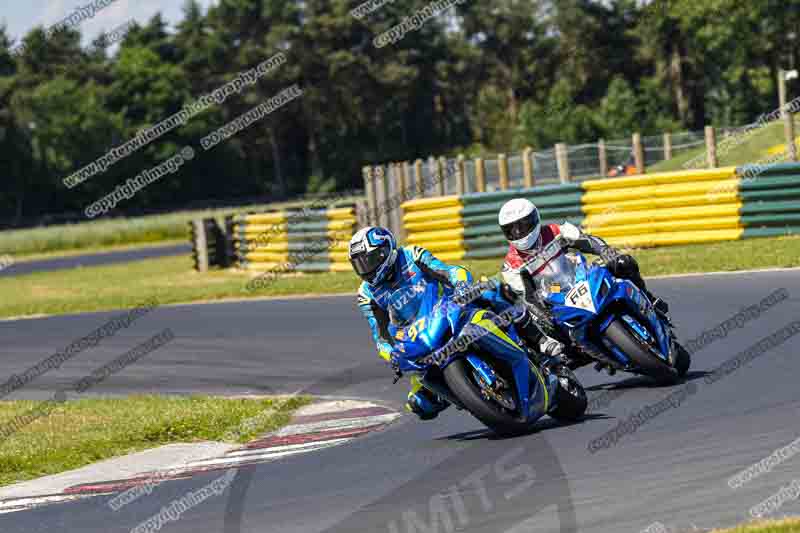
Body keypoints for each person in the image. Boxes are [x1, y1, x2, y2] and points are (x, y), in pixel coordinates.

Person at [348, 226, 544, 420]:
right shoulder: (366, 294)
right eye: (359, 265)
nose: (366, 269)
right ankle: (463, 392)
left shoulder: (410, 255)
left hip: (448, 305)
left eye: (369, 261)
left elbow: (449, 271)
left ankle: (538, 336)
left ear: (385, 251)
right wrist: (391, 354)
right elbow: (381, 336)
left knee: (492, 291)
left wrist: (461, 285)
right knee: (419, 403)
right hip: (416, 336)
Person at [498, 198, 670, 369]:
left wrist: (605, 251)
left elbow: (588, 241)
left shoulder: (556, 230)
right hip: (554, 292)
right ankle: (584, 354)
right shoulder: (511, 266)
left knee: (623, 262)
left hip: (579, 273)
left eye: (522, 225)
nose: (518, 232)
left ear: (534, 219)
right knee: (546, 330)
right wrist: (543, 314)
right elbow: (528, 298)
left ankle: (650, 300)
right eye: (511, 229)